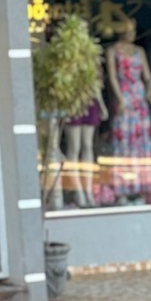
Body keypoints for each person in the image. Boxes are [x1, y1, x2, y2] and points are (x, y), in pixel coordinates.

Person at [105, 18, 151, 203]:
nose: (133, 33)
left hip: (138, 96)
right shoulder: (113, 50)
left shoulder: (139, 51)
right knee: (123, 139)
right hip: (124, 94)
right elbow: (112, 78)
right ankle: (123, 189)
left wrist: (148, 94)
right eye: (130, 30)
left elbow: (148, 77)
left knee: (141, 140)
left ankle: (142, 187)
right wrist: (120, 99)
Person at [63, 34, 108, 209]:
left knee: (88, 146)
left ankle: (88, 189)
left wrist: (102, 105)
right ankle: (78, 190)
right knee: (74, 147)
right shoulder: (66, 57)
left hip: (90, 101)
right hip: (73, 102)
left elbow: (95, 83)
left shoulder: (91, 58)